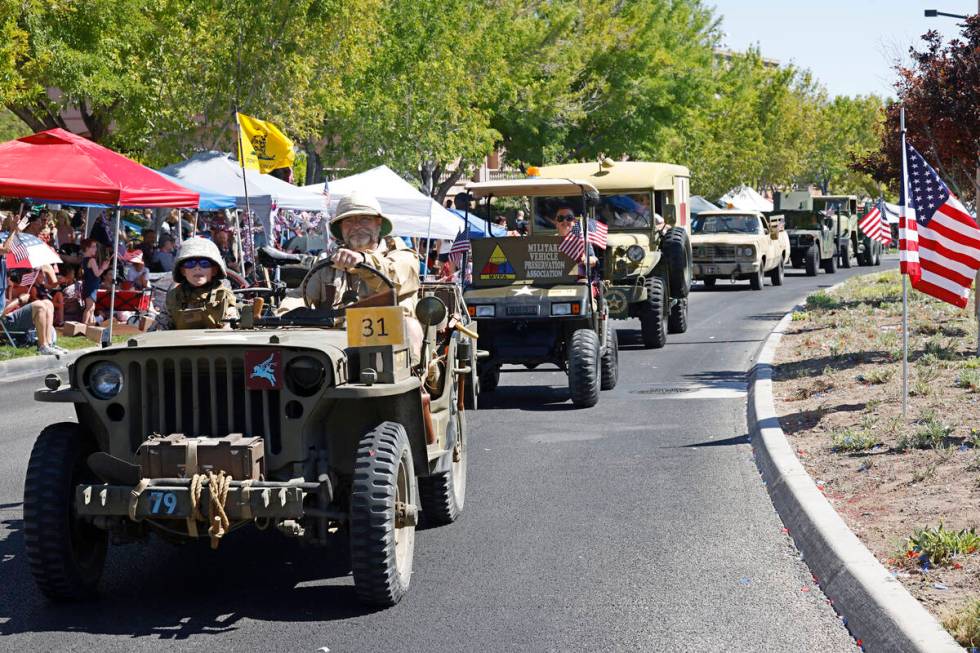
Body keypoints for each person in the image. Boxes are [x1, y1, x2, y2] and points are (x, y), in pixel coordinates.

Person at [1, 216, 63, 355]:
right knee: (39, 305)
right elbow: (2, 312)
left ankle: (49, 343)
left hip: (12, 318)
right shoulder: (7, 288)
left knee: (48, 303)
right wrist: (19, 300)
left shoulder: (9, 284)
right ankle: (42, 346)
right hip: (5, 322)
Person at [155, 237, 237, 330]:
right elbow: (160, 329)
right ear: (183, 271)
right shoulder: (174, 297)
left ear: (214, 270)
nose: (197, 268)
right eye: (190, 263)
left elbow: (230, 330)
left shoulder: (223, 297)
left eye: (204, 263)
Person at [80, 238, 109, 325]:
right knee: (89, 307)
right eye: (93, 247)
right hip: (91, 286)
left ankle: (90, 325)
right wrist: (103, 268)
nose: (95, 249)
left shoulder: (85, 259)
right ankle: (84, 325)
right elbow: (97, 274)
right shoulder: (91, 260)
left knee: (92, 307)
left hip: (90, 285)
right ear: (87, 248)